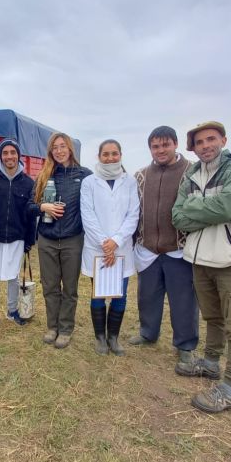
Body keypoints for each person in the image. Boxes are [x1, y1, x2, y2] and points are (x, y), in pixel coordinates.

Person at [172, 120, 231, 414]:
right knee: (212, 317)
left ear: (223, 139)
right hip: (200, 259)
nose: (206, 145)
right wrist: (212, 211)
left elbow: (230, 207)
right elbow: (178, 217)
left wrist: (199, 209)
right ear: (193, 148)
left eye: (211, 139)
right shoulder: (193, 175)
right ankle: (210, 364)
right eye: (199, 142)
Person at [130, 126, 199, 370]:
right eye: (155, 146)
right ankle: (148, 332)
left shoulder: (192, 172)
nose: (160, 150)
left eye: (165, 145)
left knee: (184, 300)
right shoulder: (140, 175)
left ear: (175, 144)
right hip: (147, 247)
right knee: (147, 296)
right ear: (150, 148)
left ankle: (186, 345)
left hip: (178, 248)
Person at [31, 133, 92, 349]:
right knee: (49, 286)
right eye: (55, 147)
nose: (59, 151)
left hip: (72, 239)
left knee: (70, 288)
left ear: (70, 149)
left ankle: (65, 329)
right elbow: (29, 206)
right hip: (47, 238)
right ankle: (52, 326)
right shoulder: (44, 175)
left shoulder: (85, 175)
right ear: (50, 151)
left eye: (62, 146)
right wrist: (42, 207)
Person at [80, 139, 139, 356]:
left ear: (121, 155)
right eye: (106, 154)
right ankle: (100, 338)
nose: (110, 158)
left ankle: (114, 337)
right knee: (98, 294)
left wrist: (116, 241)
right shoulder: (89, 182)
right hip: (98, 249)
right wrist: (105, 244)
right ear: (99, 156)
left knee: (120, 295)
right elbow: (88, 215)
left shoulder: (130, 182)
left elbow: (133, 215)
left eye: (114, 153)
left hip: (121, 249)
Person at [0, 139, 36, 331]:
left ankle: (12, 311)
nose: (9, 156)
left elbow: (30, 214)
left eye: (13, 152)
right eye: (5, 153)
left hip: (16, 238)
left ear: (18, 155)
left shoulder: (28, 183)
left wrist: (29, 240)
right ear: (0, 156)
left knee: (13, 277)